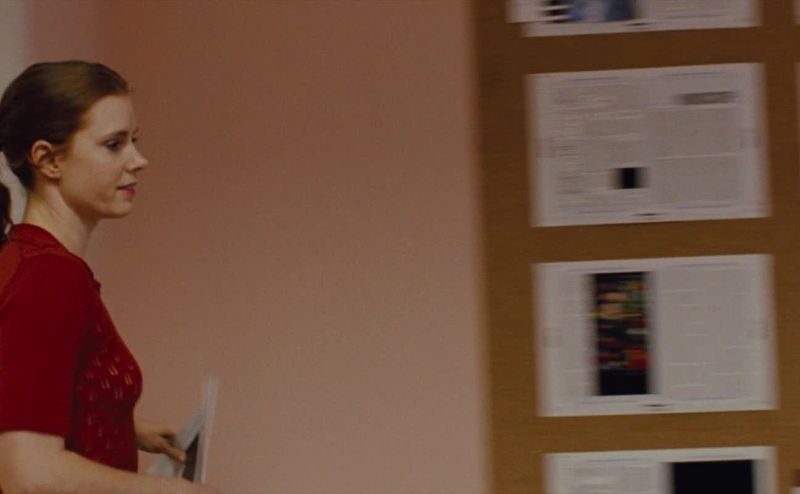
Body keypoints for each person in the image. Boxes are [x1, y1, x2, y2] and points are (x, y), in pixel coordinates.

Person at [0, 61, 218, 494]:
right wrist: (169, 491)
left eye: (134, 141)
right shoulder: (47, 278)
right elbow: (26, 475)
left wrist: (120, 421)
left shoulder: (33, 262)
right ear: (48, 159)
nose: (138, 161)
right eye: (114, 145)